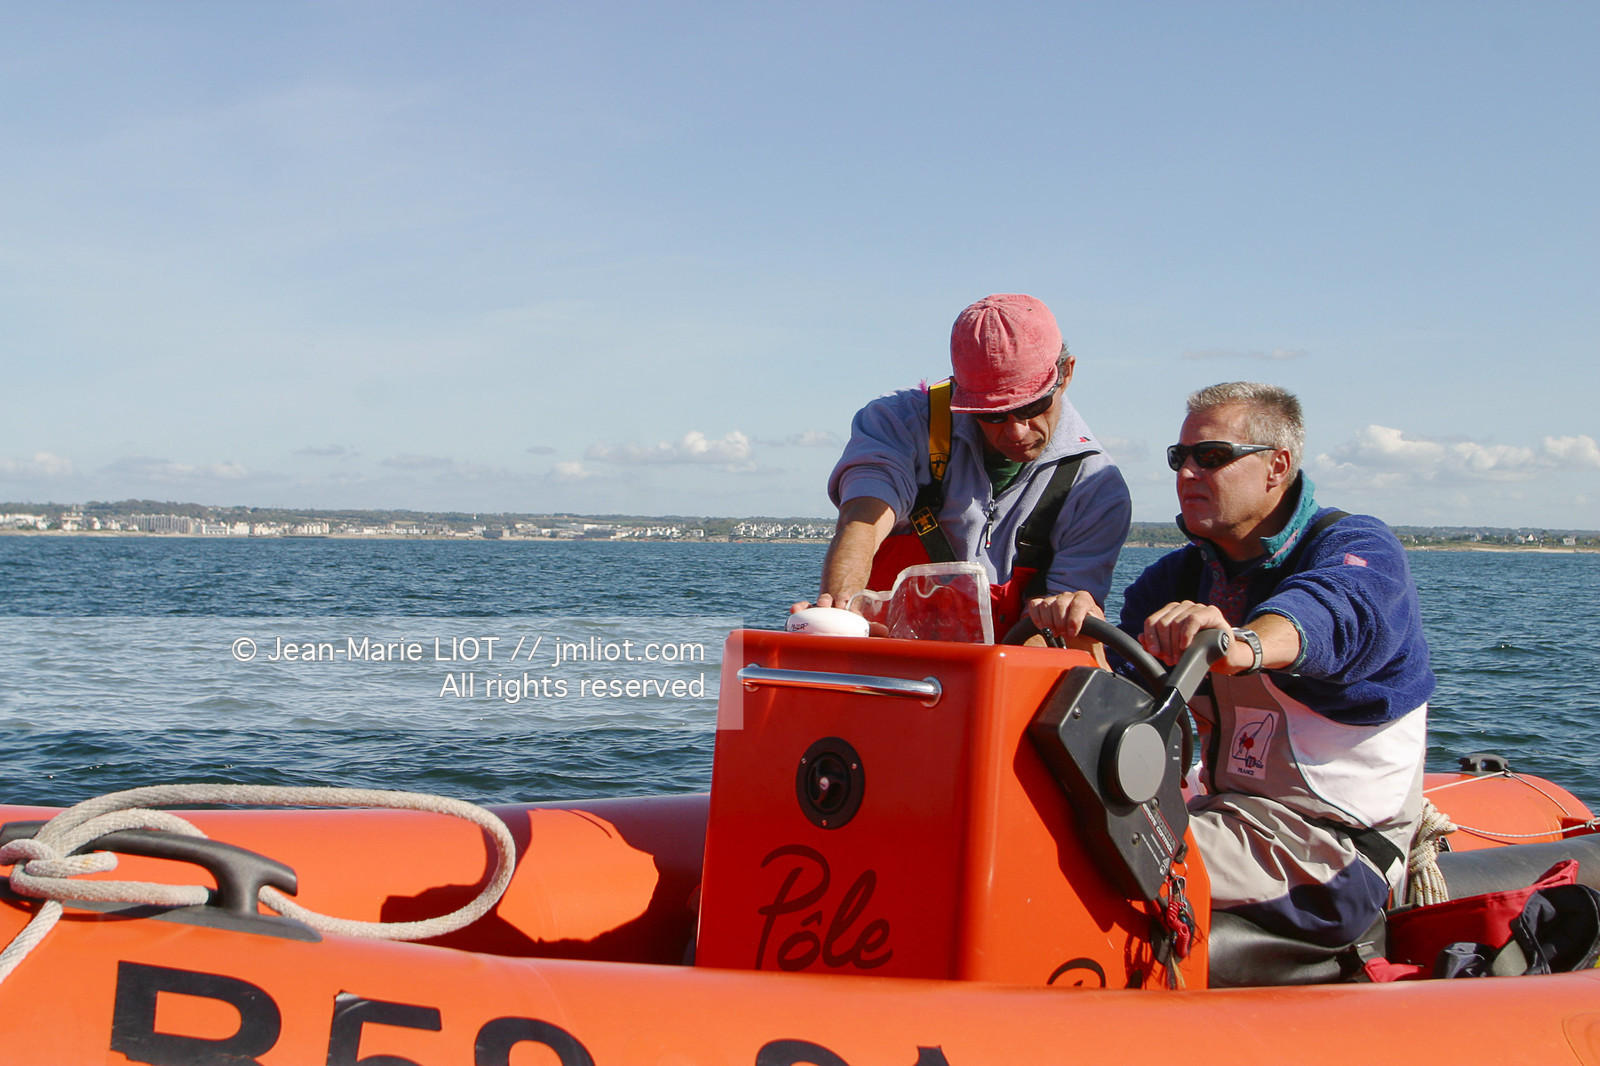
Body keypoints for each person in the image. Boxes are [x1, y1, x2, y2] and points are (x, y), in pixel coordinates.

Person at [1032, 381, 1434, 951]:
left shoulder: (1357, 550)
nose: (1188, 472)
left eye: (1213, 457)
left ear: (1278, 467)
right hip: (1227, 814)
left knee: (1071, 858)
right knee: (1035, 813)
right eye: (1181, 457)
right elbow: (1119, 701)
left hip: (1332, 850)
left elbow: (1325, 617)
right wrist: (1076, 645)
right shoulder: (1172, 582)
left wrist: (1239, 644)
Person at [803, 293, 1131, 638]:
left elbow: (1056, 628)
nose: (1017, 431)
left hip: (1008, 677)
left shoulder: (1096, 490)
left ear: (1066, 374)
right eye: (993, 414)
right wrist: (839, 610)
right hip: (885, 664)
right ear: (959, 392)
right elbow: (864, 521)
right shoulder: (898, 422)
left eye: (1034, 406)